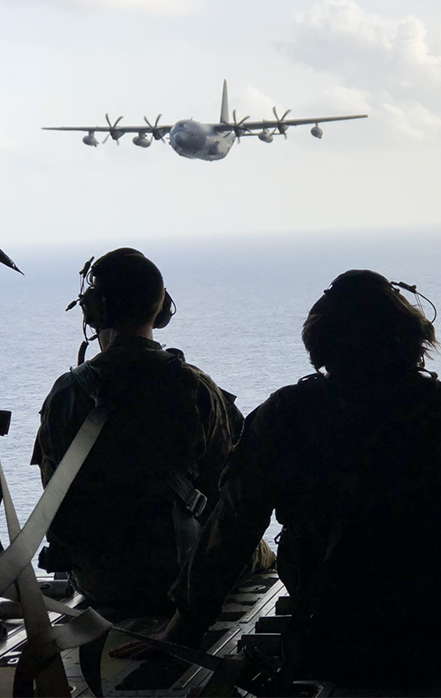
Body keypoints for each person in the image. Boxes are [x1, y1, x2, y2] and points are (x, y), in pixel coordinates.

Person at [151, 269, 441, 686]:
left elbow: (234, 525)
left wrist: (184, 626)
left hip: (327, 631)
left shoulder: (284, 415)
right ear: (411, 338)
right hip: (432, 634)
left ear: (320, 343)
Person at [32, 248, 274, 616]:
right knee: (263, 554)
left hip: (103, 585)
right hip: (185, 581)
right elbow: (231, 496)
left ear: (94, 310)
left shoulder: (65, 395)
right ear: (160, 311)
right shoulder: (195, 388)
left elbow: (55, 502)